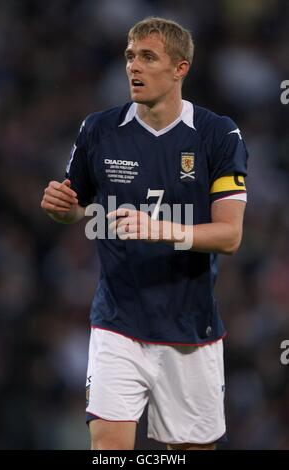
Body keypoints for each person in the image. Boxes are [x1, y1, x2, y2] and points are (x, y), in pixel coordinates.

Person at [41, 17, 248, 450]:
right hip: (118, 322)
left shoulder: (217, 134)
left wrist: (159, 229)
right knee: (109, 450)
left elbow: (230, 236)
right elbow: (78, 208)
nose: (134, 66)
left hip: (190, 328)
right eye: (130, 56)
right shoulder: (98, 129)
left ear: (180, 68)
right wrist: (65, 209)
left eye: (148, 57)